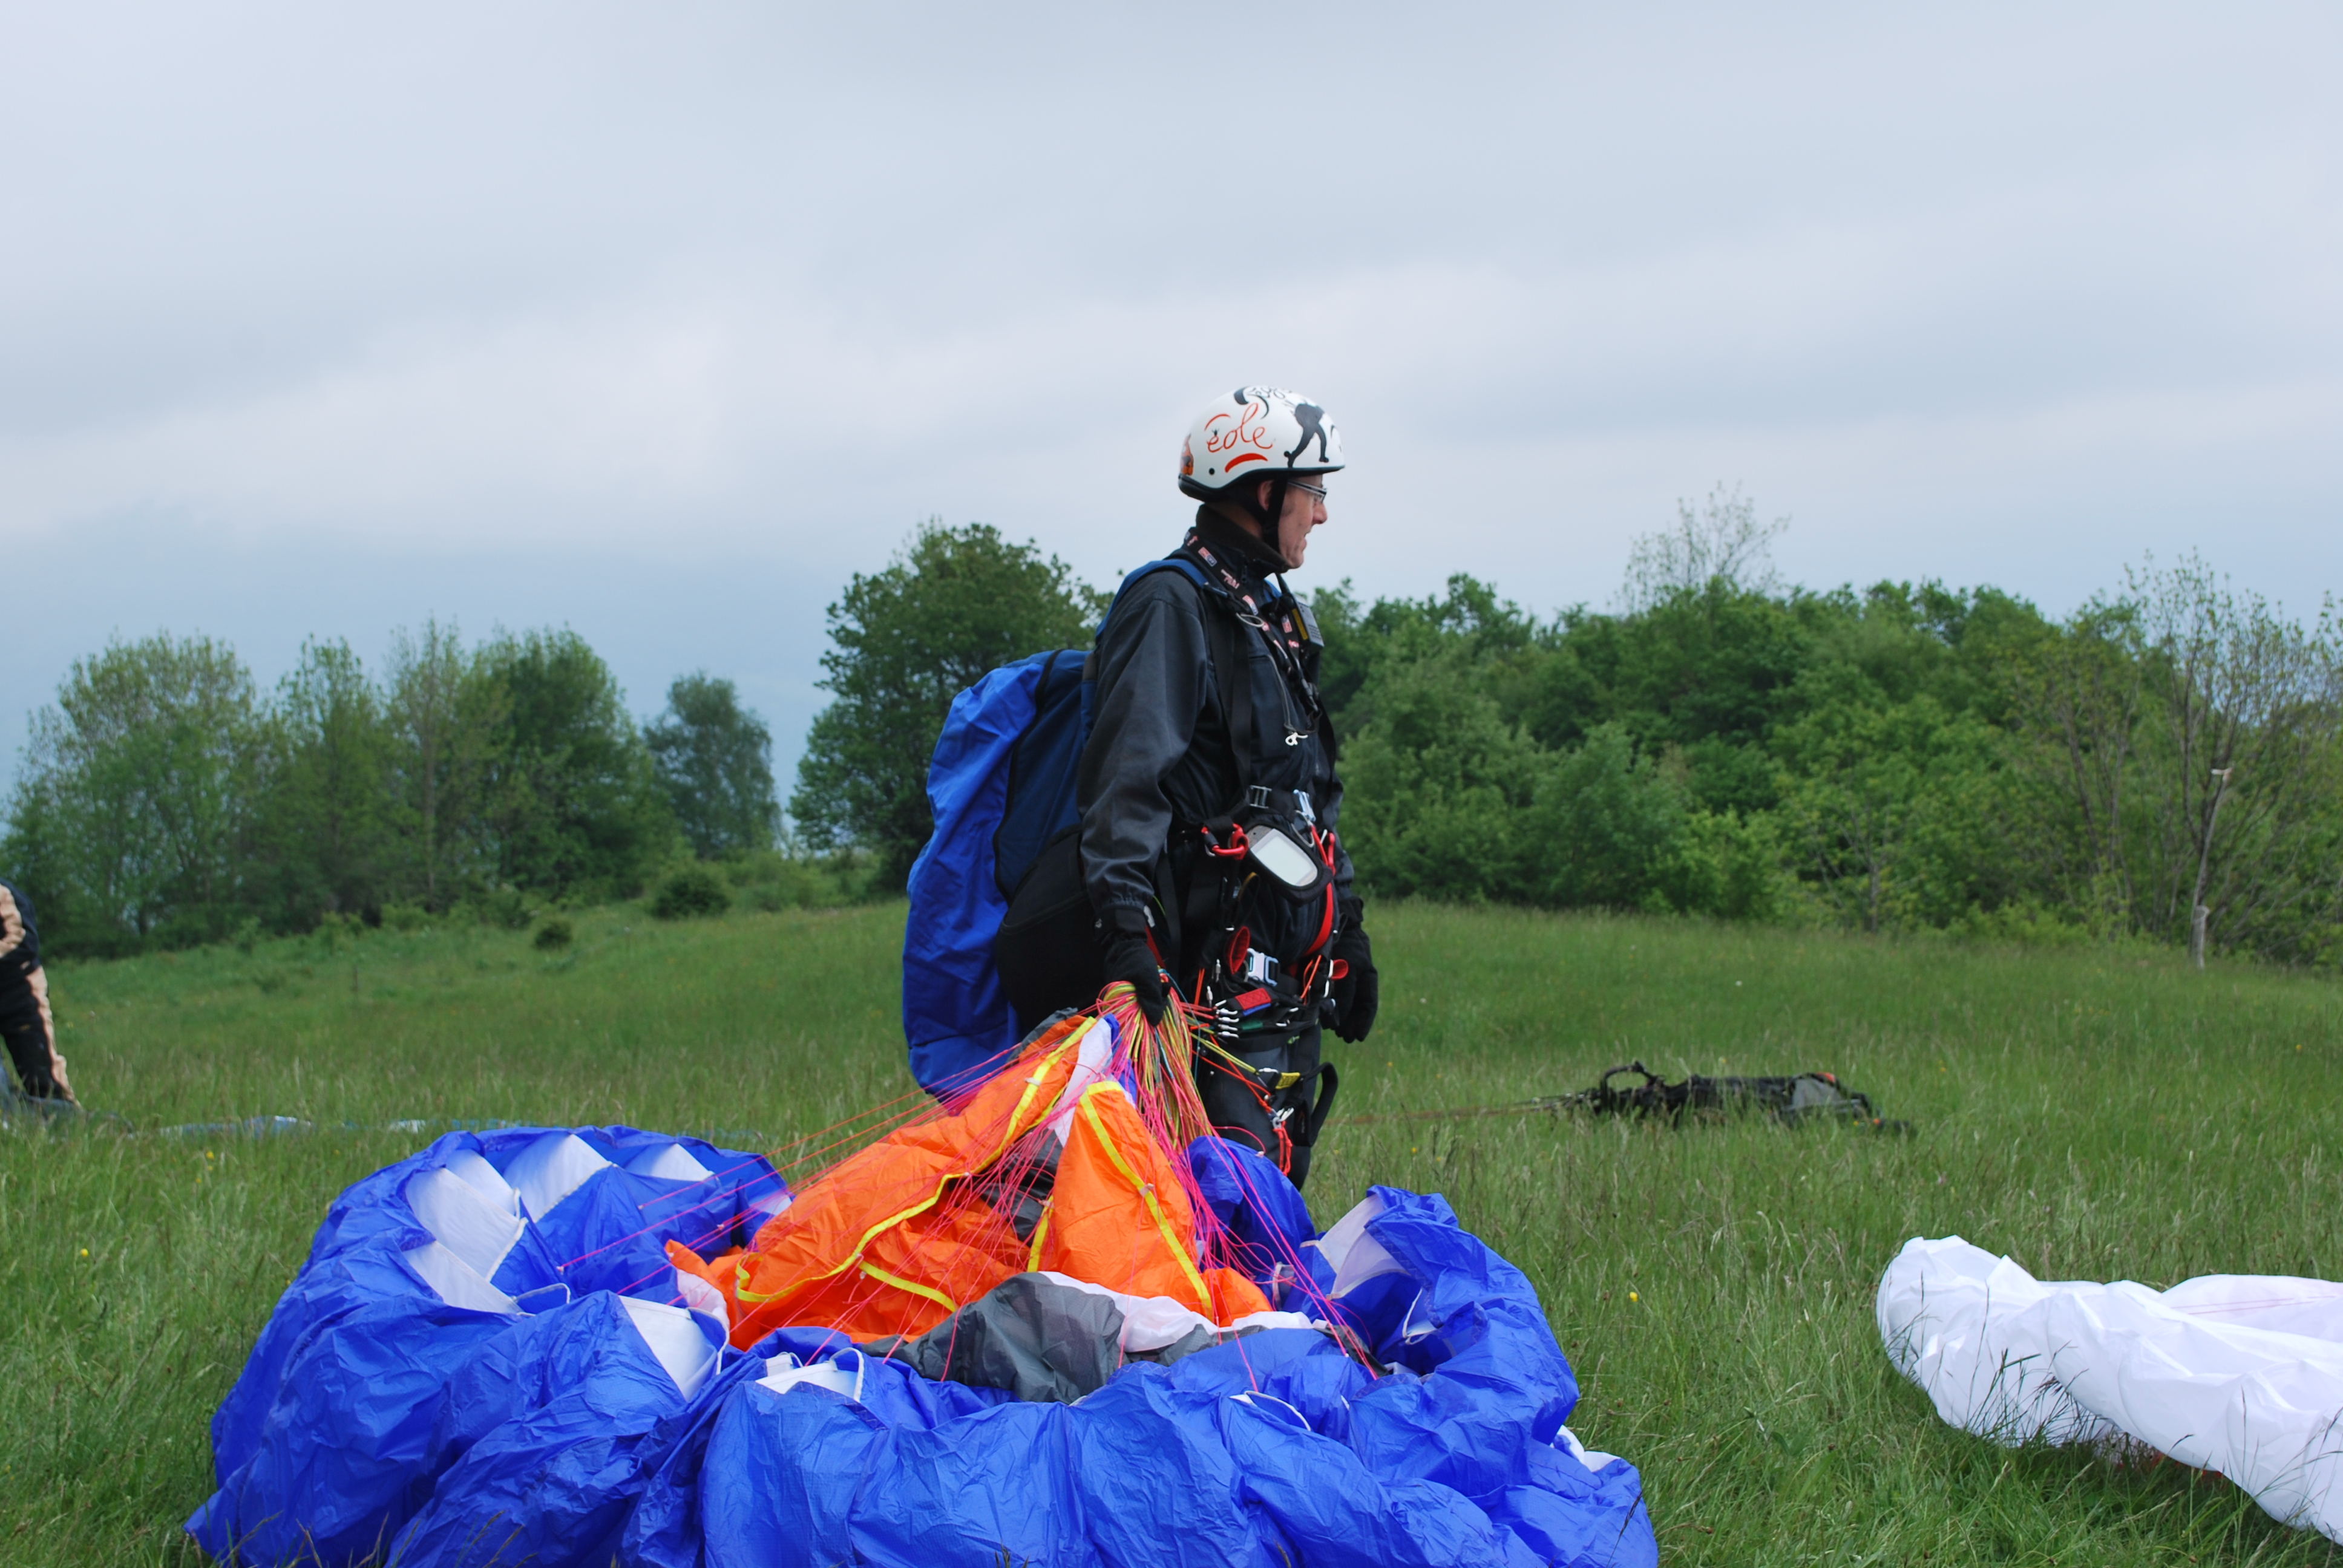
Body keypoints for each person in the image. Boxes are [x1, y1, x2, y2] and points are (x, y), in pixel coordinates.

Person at [1075, 387, 1378, 1187]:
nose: (1321, 514)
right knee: (1204, 1205)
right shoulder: (1171, 605)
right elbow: (1125, 780)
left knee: (1268, 1195)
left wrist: (1348, 933)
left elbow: (1310, 796)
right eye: (1312, 491)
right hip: (1197, 988)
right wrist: (1124, 931)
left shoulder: (1272, 619)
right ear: (1263, 491)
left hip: (1279, 990)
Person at [0, 878, 76, 1108]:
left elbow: (23, 942)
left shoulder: (4, 894)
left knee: (42, 1076)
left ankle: (69, 1120)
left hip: (20, 994)